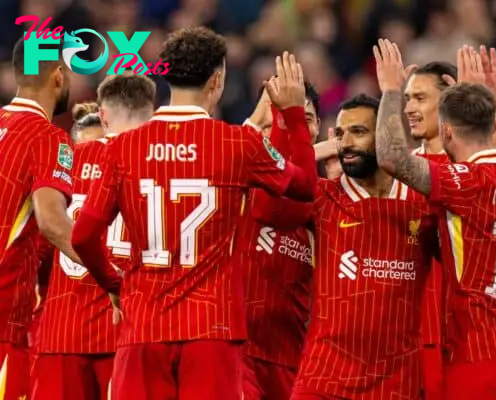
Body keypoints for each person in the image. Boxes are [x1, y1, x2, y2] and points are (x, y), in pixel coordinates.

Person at [70, 26, 318, 400]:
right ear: (217, 80)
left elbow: (83, 235)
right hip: (211, 331)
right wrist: (294, 116)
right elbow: (304, 187)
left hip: (143, 328)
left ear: (167, 76)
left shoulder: (122, 148)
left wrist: (115, 286)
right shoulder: (238, 143)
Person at [374, 39, 496, 400]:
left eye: (420, 98)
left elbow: (390, 156)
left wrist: (389, 90)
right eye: (406, 98)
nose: (410, 108)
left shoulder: (459, 178)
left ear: (448, 126)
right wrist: (492, 107)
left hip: (476, 350)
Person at [252, 93, 437, 400]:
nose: (346, 143)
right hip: (324, 380)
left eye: (359, 132)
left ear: (384, 136)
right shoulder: (322, 197)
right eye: (340, 133)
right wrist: (309, 136)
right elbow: (268, 200)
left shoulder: (423, 201)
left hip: (397, 385)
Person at [31, 74, 156, 400]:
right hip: (127, 333)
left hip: (62, 332)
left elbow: (42, 249)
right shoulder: (155, 165)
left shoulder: (66, 159)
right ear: (151, 114)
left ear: (103, 115)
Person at [0, 37, 78, 400]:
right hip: (5, 319)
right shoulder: (47, 138)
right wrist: (113, 276)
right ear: (58, 76)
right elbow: (53, 222)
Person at [240, 82, 321, 400]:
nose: (293, 123)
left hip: (294, 360)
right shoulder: (240, 178)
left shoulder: (327, 198)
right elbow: (270, 205)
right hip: (240, 352)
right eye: (282, 116)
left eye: (307, 118)